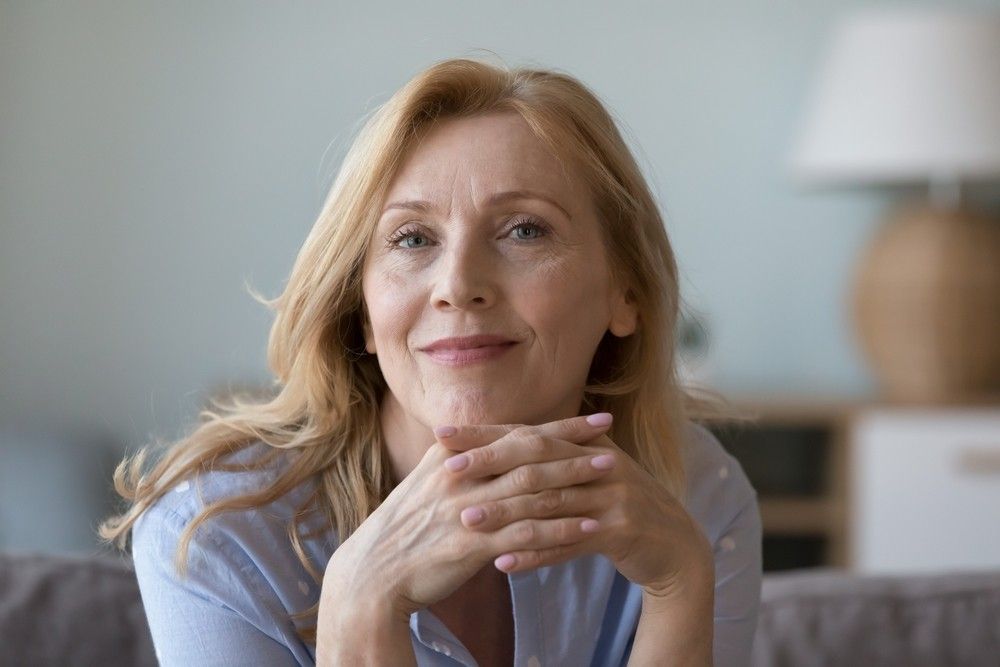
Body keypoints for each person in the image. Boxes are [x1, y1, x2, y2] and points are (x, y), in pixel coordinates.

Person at [101, 56, 761, 666]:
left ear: (628, 293)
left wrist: (678, 583)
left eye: (525, 229)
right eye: (412, 238)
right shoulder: (217, 534)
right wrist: (362, 605)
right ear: (362, 310)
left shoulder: (698, 499)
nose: (457, 283)